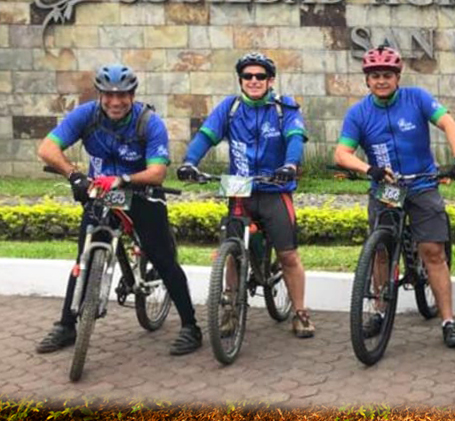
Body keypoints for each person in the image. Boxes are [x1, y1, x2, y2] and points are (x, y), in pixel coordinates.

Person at [36, 64, 202, 356]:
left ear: (133, 95)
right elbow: (47, 148)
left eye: (123, 95)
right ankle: (66, 325)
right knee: (83, 258)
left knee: (164, 260)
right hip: (99, 194)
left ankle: (191, 326)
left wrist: (123, 179)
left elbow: (157, 172)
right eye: (109, 95)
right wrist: (74, 175)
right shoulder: (86, 115)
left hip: (141, 194)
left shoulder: (149, 122)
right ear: (99, 94)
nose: (115, 102)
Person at [332, 44, 455, 348]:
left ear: (398, 77)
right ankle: (379, 311)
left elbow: (447, 122)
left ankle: (448, 320)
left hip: (421, 183)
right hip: (387, 187)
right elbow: (342, 153)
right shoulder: (359, 113)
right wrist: (370, 169)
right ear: (367, 80)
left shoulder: (416, 98)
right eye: (376, 75)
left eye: (388, 75)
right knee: (380, 251)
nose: (382, 80)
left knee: (433, 251)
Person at [177, 52, 316, 338]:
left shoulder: (284, 108)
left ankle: (300, 312)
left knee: (288, 255)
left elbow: (294, 138)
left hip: (274, 188)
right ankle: (230, 308)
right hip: (239, 189)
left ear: (270, 80)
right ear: (240, 80)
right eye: (248, 76)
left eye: (260, 76)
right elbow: (206, 136)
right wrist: (190, 161)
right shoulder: (229, 108)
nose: (254, 81)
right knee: (231, 250)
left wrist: (290, 165)